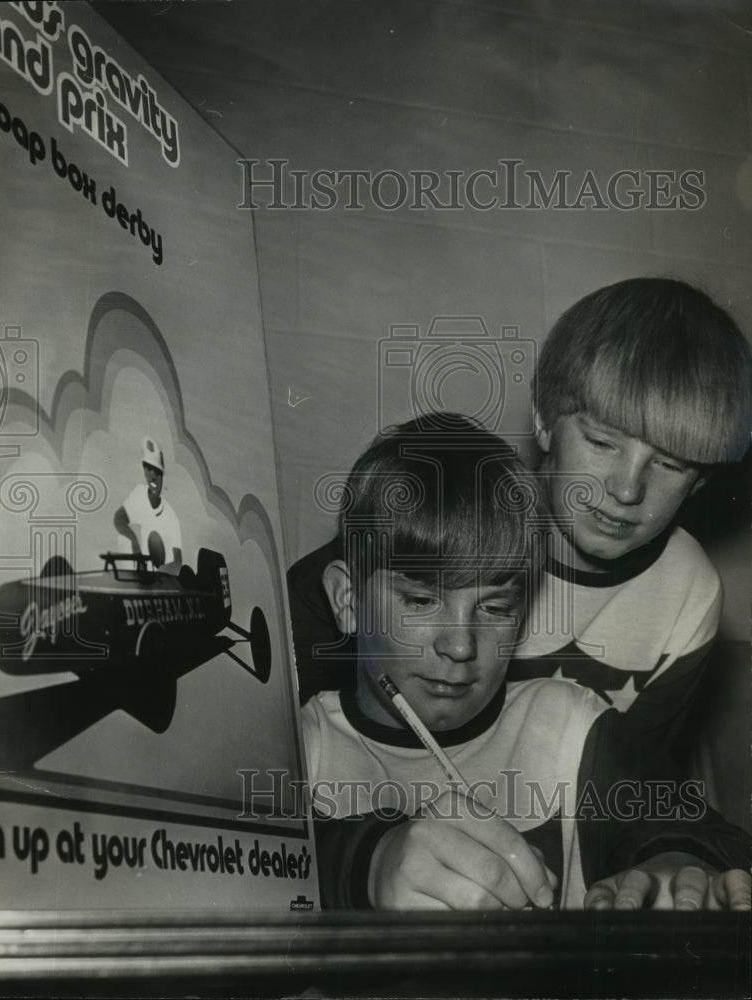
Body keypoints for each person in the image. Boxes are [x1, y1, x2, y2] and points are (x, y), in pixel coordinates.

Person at [302, 415, 751, 910]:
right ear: (346, 599)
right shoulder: (299, 747)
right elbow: (240, 863)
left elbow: (702, 832)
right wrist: (369, 862)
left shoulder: (571, 729)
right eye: (420, 601)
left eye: (495, 608)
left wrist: (675, 865)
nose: (461, 646)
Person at [290, 278, 752, 756]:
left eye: (670, 464)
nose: (627, 490)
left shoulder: (692, 593)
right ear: (543, 420)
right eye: (601, 442)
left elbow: (630, 793)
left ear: (700, 481)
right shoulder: (452, 516)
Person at [114, 436, 183, 574]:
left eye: (157, 471)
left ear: (162, 475)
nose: (153, 476)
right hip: (138, 571)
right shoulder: (139, 494)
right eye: (149, 469)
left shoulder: (171, 517)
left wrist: (161, 572)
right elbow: (118, 519)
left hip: (160, 578)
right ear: (144, 470)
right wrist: (134, 543)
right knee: (123, 538)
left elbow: (178, 562)